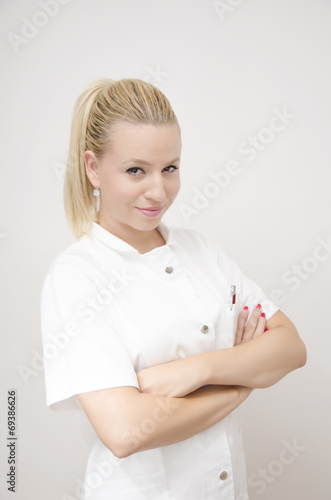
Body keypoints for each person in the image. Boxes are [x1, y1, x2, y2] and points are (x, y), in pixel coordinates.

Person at [40, 78, 307, 500]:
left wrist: (196, 371)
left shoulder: (202, 251)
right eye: (135, 170)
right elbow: (125, 431)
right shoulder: (76, 277)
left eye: (170, 168)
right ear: (93, 167)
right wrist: (245, 377)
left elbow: (292, 349)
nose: (158, 191)